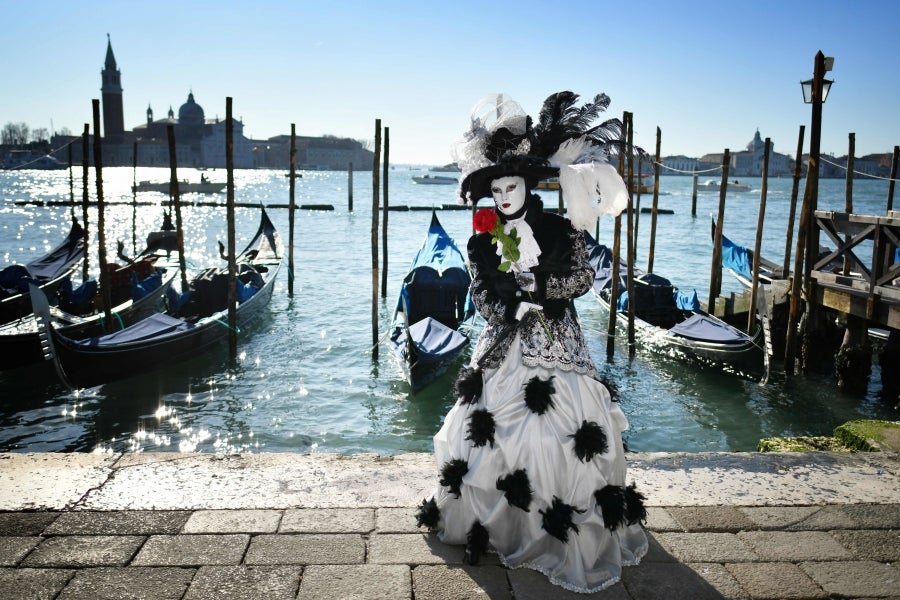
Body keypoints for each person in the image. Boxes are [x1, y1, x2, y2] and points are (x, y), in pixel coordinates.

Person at [415, 91, 648, 593]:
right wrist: (507, 307)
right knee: (486, 430)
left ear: (526, 185)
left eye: (509, 186)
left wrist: (539, 292)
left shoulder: (559, 228)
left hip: (557, 341)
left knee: (561, 435)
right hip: (502, 343)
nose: (502, 196)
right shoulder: (482, 238)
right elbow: (478, 291)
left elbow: (584, 278)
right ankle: (500, 528)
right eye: (495, 189)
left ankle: (560, 532)